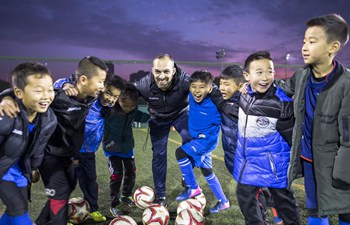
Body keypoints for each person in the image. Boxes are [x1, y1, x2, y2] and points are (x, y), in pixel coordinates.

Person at [0, 56, 108, 225]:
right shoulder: (58, 97)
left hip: (58, 158)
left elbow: (39, 143)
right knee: (44, 197)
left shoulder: (84, 100)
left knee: (66, 188)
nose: (102, 87)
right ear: (84, 80)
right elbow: (22, 91)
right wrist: (6, 97)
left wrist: (34, 166)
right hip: (41, 157)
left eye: (104, 82)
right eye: (100, 81)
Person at [275, 14, 350, 225]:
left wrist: (343, 175)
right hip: (309, 159)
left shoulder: (347, 84)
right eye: (304, 41)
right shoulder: (302, 76)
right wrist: (259, 84)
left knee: (345, 209)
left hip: (339, 164)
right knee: (315, 208)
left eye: (312, 41)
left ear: (333, 47)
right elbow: (285, 89)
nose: (305, 47)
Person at [234, 51, 300, 225]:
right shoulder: (243, 94)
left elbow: (291, 136)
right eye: (259, 72)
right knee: (246, 199)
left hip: (274, 166)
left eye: (269, 71)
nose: (265, 77)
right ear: (247, 76)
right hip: (248, 164)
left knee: (284, 204)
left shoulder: (281, 103)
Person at [214, 65, 282, 224]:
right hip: (233, 161)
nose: (222, 88)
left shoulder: (249, 102)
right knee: (258, 195)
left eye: (226, 84)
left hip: (251, 162)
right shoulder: (223, 99)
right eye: (221, 83)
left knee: (255, 197)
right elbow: (214, 94)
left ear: (239, 86)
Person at [55, 74, 125, 222]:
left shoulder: (108, 107)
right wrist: (65, 85)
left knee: (90, 181)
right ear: (101, 88)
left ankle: (93, 209)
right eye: (108, 93)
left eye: (115, 97)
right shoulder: (88, 99)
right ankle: (61, 217)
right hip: (71, 150)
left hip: (88, 151)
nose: (111, 99)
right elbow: (61, 81)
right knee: (66, 183)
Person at [0, 62, 57, 225]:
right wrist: (4, 98)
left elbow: (38, 148)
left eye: (50, 89)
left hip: (20, 171)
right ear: (19, 93)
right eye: (38, 91)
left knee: (17, 208)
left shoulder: (49, 119)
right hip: (2, 170)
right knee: (18, 209)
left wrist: (33, 168)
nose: (46, 96)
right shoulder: (7, 115)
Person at [134, 53, 191, 206]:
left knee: (191, 140)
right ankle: (161, 196)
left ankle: (188, 181)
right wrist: (65, 83)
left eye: (166, 71)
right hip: (158, 119)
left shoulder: (185, 80)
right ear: (152, 70)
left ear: (174, 70)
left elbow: (206, 86)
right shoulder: (144, 85)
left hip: (180, 114)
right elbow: (121, 91)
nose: (161, 76)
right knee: (159, 155)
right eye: (157, 71)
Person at [174, 70, 230, 214]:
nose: (197, 90)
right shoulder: (192, 96)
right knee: (207, 171)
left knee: (180, 153)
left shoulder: (216, 105)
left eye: (202, 86)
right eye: (194, 86)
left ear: (210, 88)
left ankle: (192, 188)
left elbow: (230, 112)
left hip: (206, 142)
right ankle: (224, 202)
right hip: (196, 139)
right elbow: (182, 80)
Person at [102, 83, 149, 217]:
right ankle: (113, 204)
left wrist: (153, 116)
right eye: (124, 104)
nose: (127, 108)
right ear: (119, 99)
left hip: (127, 148)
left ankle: (126, 196)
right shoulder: (109, 110)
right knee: (117, 174)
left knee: (131, 171)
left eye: (131, 106)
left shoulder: (133, 111)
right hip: (112, 148)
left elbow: (142, 116)